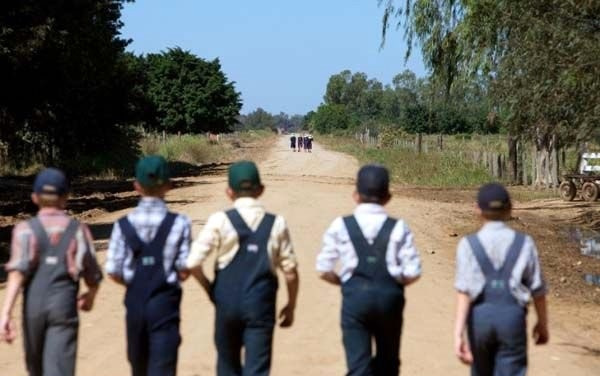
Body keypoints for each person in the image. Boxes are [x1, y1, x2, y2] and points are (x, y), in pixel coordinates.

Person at [187, 160, 299, 376]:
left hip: (226, 303)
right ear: (261, 190)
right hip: (261, 305)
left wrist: (210, 289)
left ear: (229, 192)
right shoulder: (276, 223)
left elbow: (192, 263)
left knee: (227, 365)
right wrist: (291, 305)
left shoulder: (219, 220)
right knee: (257, 368)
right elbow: (291, 273)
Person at [316, 164, 422, 376]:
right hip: (389, 299)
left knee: (358, 365)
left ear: (355, 195)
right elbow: (413, 272)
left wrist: (343, 281)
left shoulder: (341, 225)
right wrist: (393, 283)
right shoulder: (399, 227)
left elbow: (323, 268)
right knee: (389, 362)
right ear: (388, 197)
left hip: (355, 298)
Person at [0, 168, 103, 376]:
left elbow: (17, 273)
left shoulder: (24, 230)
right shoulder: (78, 231)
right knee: (60, 370)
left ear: (35, 197)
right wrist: (90, 295)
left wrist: (6, 313)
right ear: (65, 197)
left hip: (33, 309)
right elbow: (92, 274)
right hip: (63, 306)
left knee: (35, 369)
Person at [105, 155, 192, 376]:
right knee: (163, 367)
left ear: (136, 186)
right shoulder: (180, 223)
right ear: (169, 186)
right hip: (165, 304)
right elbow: (184, 269)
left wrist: (136, 284)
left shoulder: (122, 225)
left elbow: (113, 271)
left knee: (138, 366)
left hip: (135, 304)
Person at [454, 183, 549, 376]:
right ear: (509, 209)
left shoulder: (467, 245)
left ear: (477, 210)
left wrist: (458, 333)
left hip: (480, 319)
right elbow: (538, 291)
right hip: (512, 319)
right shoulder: (525, 243)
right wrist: (542, 323)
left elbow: (464, 293)